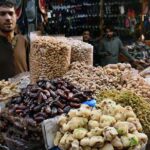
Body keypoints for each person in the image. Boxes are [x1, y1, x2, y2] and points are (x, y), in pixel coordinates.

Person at [0, 0, 29, 80]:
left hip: (25, 91)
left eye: (11, 13)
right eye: (2, 14)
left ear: (16, 16)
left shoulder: (24, 41)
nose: (8, 18)